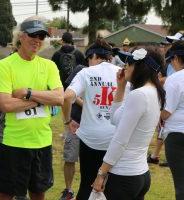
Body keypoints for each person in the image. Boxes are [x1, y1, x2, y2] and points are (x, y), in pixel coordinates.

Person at [0, 16, 64, 200]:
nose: (38, 40)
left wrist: (27, 92)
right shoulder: (4, 66)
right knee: (5, 194)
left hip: (42, 143)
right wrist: (43, 98)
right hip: (12, 143)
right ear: (21, 37)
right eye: (33, 35)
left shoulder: (49, 66)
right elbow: (6, 105)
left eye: (41, 36)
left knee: (39, 193)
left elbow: (59, 98)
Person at [93, 47, 165, 200]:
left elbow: (120, 140)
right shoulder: (152, 92)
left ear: (141, 66)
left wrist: (101, 173)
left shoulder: (138, 95)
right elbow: (114, 119)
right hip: (139, 173)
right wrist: (120, 87)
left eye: (129, 62)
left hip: (124, 175)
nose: (124, 66)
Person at [62, 39, 120, 200]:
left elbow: (67, 97)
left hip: (90, 139)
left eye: (89, 59)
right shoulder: (121, 73)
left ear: (93, 55)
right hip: (114, 138)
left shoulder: (86, 73)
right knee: (111, 185)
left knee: (87, 183)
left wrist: (67, 121)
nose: (88, 63)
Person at [51, 32, 85, 200]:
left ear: (62, 41)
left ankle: (69, 190)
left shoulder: (57, 54)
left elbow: (52, 70)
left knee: (70, 156)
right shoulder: (79, 55)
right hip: (75, 100)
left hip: (64, 91)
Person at [161, 40, 184, 200]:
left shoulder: (176, 78)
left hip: (179, 136)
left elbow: (167, 111)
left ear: (175, 58)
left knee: (183, 185)